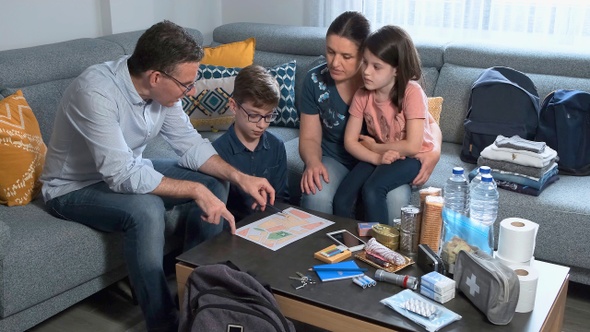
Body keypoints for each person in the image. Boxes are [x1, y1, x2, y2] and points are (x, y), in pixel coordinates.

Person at [40, 21, 275, 332]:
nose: (189, 92)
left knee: (215, 183)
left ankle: (198, 295)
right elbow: (121, 174)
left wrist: (241, 177)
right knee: (148, 210)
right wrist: (192, 190)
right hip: (72, 188)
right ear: (155, 77)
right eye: (186, 84)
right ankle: (163, 324)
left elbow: (190, 145)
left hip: (128, 169)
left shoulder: (165, 94)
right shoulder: (95, 91)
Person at [299, 11, 442, 222]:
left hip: (387, 159)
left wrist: (435, 152)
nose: (335, 63)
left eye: (346, 56)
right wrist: (312, 162)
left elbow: (427, 126)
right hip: (338, 158)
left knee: (392, 197)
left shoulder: (385, 81)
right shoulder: (317, 82)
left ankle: (387, 252)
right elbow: (310, 137)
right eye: (330, 52)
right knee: (317, 192)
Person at [333, 25, 436, 223]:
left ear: (396, 70)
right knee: (342, 197)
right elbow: (350, 141)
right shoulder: (362, 95)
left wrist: (376, 147)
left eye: (376, 66)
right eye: (365, 63)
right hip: (382, 154)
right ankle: (345, 245)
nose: (366, 72)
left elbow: (413, 146)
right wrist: (375, 157)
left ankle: (379, 250)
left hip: (413, 158)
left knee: (373, 189)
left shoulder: (412, 93)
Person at [213, 65, 289, 221]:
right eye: (254, 116)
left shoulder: (277, 147)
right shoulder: (216, 153)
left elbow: (282, 198)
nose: (262, 125)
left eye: (268, 116)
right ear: (234, 106)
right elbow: (217, 210)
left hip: (271, 226)